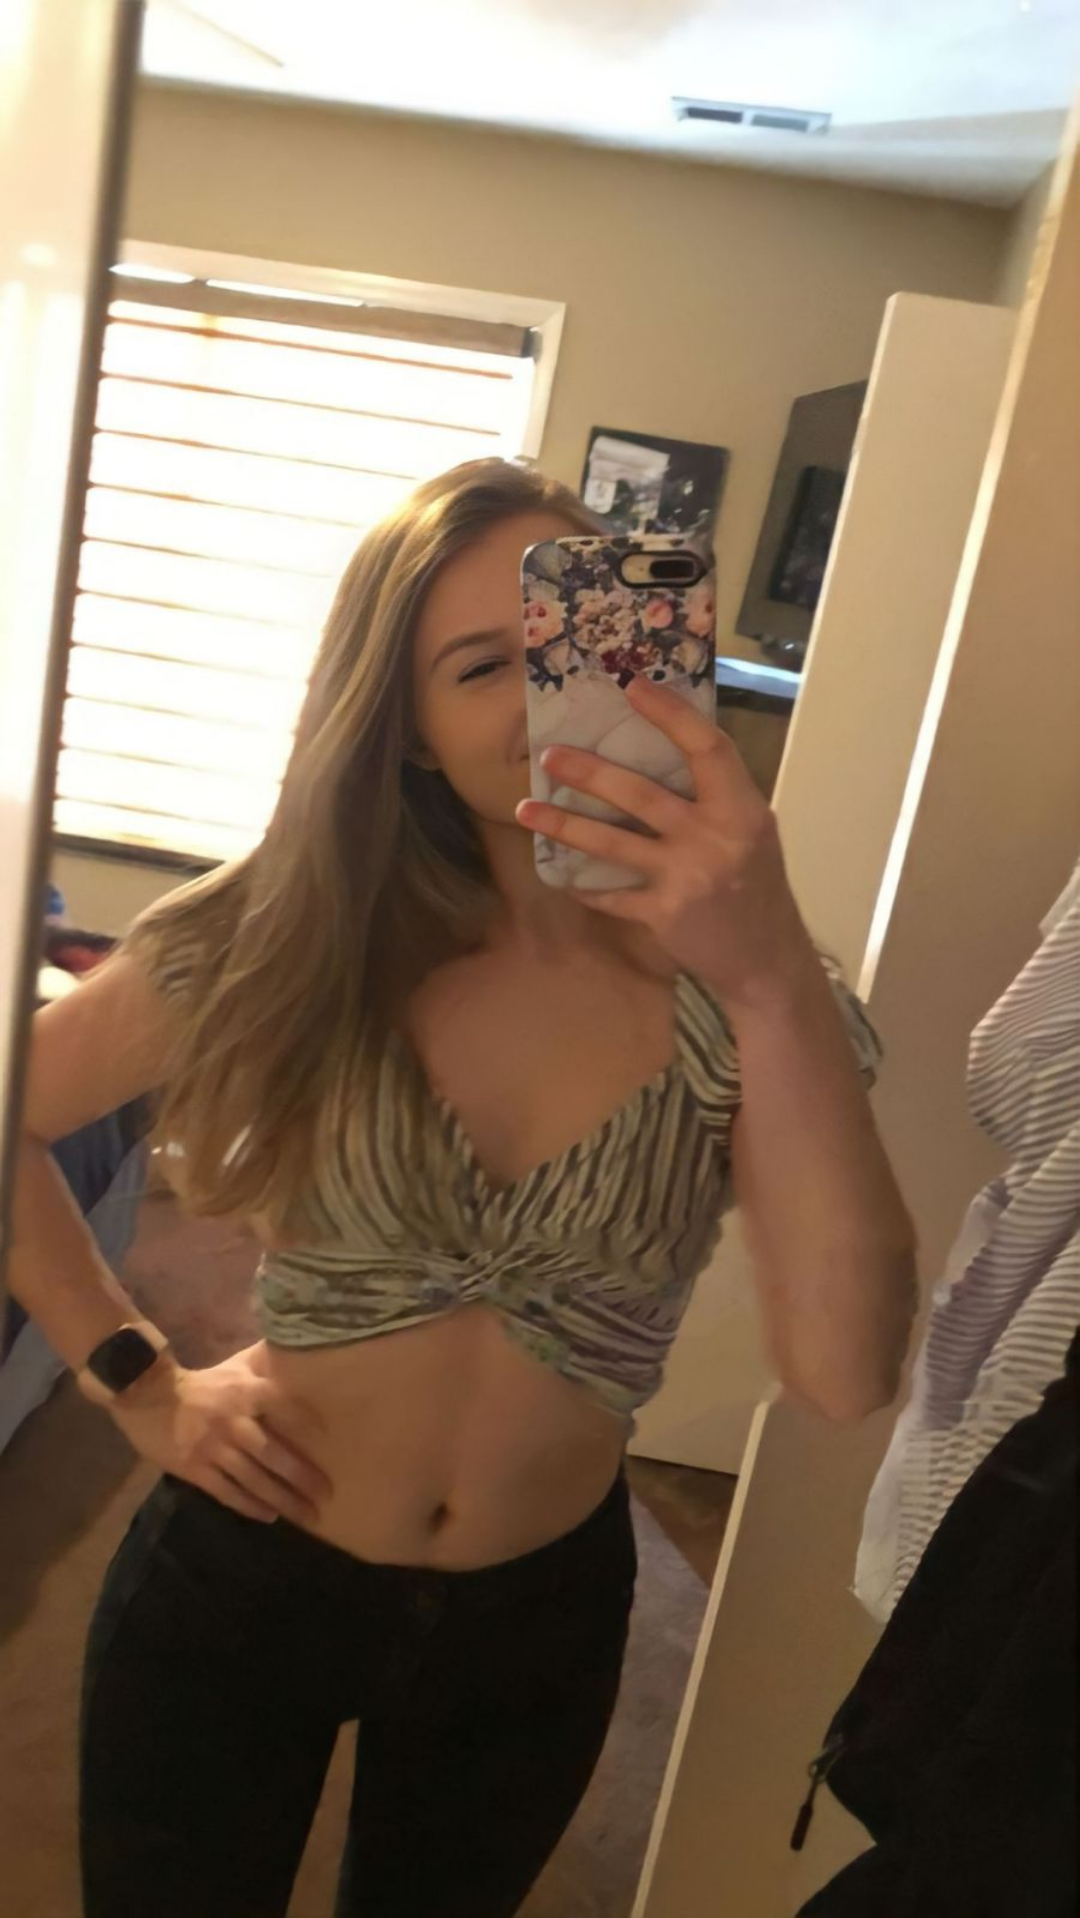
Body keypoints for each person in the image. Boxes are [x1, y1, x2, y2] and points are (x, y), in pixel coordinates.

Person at [11, 459, 916, 1918]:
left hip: (534, 1620)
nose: (543, 694)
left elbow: (847, 1368)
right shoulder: (290, 930)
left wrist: (764, 968)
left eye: (571, 642)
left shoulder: (746, 992)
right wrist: (137, 1378)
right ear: (412, 730)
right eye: (483, 665)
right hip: (243, 1570)